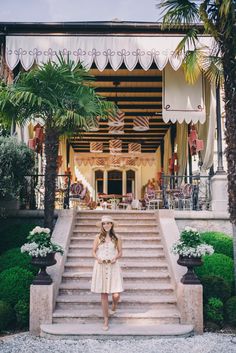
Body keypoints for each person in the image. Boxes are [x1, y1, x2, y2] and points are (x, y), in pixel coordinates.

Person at [91, 215, 124, 331]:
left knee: (116, 294)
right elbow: (93, 252)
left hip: (113, 266)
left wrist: (115, 258)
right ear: (102, 225)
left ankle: (115, 304)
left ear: (112, 224)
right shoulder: (98, 237)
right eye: (104, 223)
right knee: (104, 294)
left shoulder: (117, 238)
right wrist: (97, 259)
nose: (106, 225)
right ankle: (106, 319)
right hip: (101, 266)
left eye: (108, 223)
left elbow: (120, 253)